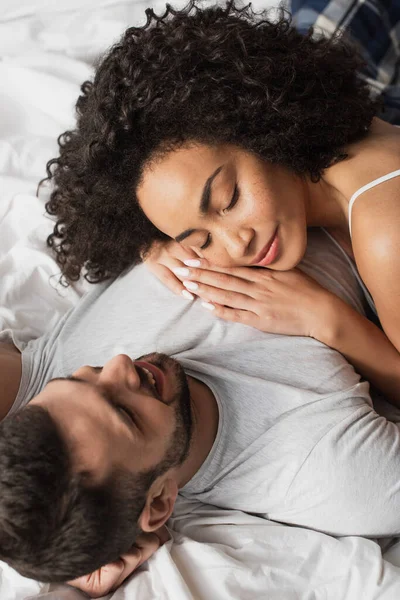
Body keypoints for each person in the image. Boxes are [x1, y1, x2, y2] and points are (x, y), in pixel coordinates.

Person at [2, 230, 400, 597]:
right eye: (125, 412)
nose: (119, 365)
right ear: (158, 503)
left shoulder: (54, 361)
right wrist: (331, 322)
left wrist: (147, 232)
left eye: (79, 380)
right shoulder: (333, 471)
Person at [43, 1, 400, 409]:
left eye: (229, 199)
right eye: (201, 240)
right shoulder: (338, 145)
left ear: (263, 124)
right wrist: (154, 242)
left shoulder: (388, 231)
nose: (237, 244)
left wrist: (328, 320)